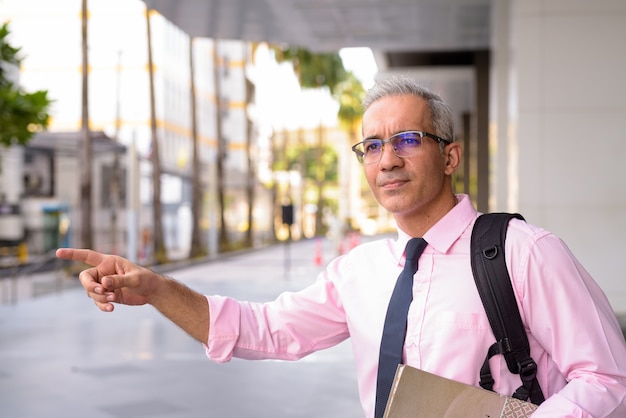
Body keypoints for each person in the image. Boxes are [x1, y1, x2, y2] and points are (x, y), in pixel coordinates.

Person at [56, 76, 626, 417]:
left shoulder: (524, 251)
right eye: (372, 146)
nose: (388, 159)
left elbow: (606, 380)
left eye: (407, 139)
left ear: (449, 156)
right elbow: (263, 329)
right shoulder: (362, 271)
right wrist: (156, 289)